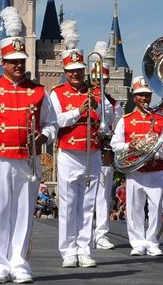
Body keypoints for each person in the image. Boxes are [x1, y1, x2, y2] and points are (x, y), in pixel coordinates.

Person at [0, 6, 57, 284]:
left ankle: (19, 263)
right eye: (13, 61)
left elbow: (52, 124)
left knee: (23, 214)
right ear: (4, 61)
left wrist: (45, 135)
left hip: (27, 161)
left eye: (21, 60)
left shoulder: (38, 91)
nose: (18, 65)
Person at [49, 21, 113, 269]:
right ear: (65, 71)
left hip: (92, 152)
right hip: (68, 152)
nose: (75, 74)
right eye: (71, 70)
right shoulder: (57, 93)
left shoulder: (96, 92)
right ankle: (68, 250)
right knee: (68, 204)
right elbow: (55, 121)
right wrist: (78, 111)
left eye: (79, 70)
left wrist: (99, 107)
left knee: (87, 204)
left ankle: (84, 249)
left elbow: (109, 120)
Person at [110, 76, 163, 256]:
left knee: (156, 207)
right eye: (140, 95)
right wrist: (130, 146)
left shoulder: (160, 119)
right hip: (134, 170)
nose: (144, 99)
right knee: (134, 207)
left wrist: (154, 154)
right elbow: (115, 144)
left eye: (147, 95)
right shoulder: (125, 120)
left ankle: (152, 242)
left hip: (155, 169)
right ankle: (137, 242)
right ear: (134, 97)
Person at [89, 42, 119, 251]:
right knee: (85, 194)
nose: (101, 82)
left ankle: (101, 233)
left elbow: (115, 123)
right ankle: (83, 233)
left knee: (103, 194)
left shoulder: (112, 101)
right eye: (98, 79)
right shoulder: (85, 96)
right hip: (86, 148)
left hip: (105, 148)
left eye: (104, 79)